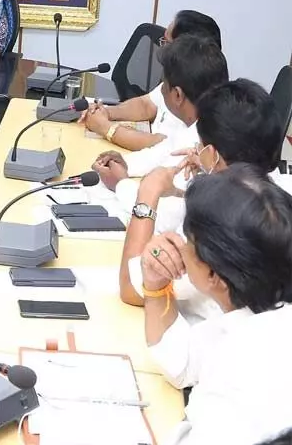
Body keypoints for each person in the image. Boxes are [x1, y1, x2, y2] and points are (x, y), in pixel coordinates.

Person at [138, 164, 292, 444]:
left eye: (188, 240)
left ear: (213, 275)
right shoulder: (262, 310)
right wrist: (156, 284)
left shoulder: (241, 373)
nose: (180, 246)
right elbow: (180, 363)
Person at [118, 79, 290, 322]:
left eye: (199, 145)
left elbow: (131, 287)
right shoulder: (279, 200)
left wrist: (148, 192)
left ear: (212, 153)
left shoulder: (219, 218)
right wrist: (206, 174)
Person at [91, 33, 228, 195]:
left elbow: (164, 209)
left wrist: (121, 184)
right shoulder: (198, 126)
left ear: (177, 95)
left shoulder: (204, 146)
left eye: (164, 85)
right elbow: (162, 153)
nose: (161, 90)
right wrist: (124, 163)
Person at [79, 10, 221, 151]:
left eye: (166, 42)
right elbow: (146, 105)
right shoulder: (177, 78)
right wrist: (106, 113)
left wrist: (104, 127)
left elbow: (165, 147)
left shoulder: (204, 103)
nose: (160, 47)